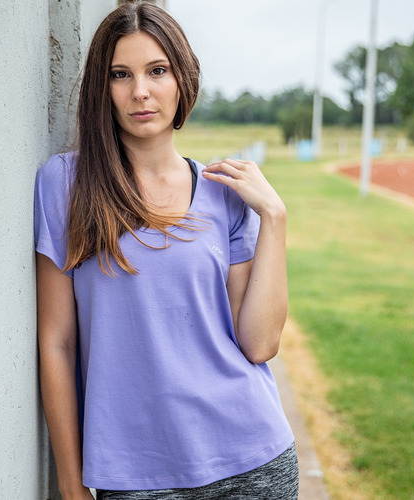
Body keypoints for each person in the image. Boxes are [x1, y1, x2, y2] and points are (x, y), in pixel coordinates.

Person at [34, 2, 298, 499]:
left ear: (182, 79)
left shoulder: (223, 193)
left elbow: (259, 344)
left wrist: (275, 220)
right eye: (120, 74)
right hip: (134, 476)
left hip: (252, 459)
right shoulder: (65, 184)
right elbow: (57, 344)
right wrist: (71, 488)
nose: (140, 91)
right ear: (102, 88)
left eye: (158, 70)